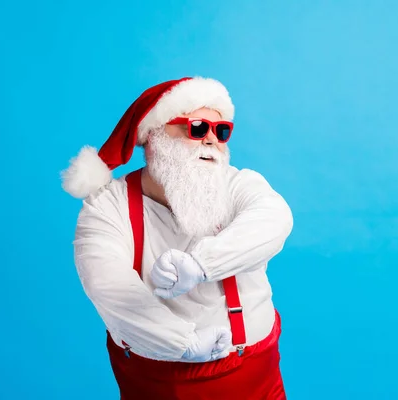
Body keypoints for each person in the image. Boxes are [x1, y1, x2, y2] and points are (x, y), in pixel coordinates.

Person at [61, 76, 294, 399]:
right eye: (197, 127)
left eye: (221, 130)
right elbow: (107, 284)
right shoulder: (107, 206)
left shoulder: (239, 185)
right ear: (154, 135)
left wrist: (201, 265)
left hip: (252, 376)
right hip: (156, 383)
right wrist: (180, 343)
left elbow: (273, 219)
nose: (211, 140)